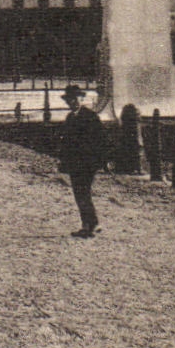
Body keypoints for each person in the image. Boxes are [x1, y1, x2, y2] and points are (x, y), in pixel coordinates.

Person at [58, 85, 106, 238]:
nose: (71, 102)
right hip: (74, 162)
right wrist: (63, 161)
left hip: (87, 162)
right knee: (80, 193)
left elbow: (101, 139)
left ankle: (89, 225)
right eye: (69, 100)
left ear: (81, 98)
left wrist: (99, 160)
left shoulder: (90, 116)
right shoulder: (70, 117)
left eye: (74, 99)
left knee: (82, 193)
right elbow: (66, 142)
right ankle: (91, 223)